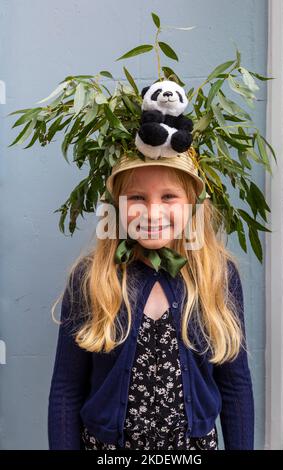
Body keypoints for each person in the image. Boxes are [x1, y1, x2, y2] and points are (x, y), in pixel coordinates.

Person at [48, 149, 254, 450]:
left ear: (193, 204)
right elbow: (66, 390)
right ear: (116, 205)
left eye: (169, 196)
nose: (153, 212)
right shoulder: (91, 277)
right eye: (137, 198)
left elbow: (236, 386)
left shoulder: (218, 275)